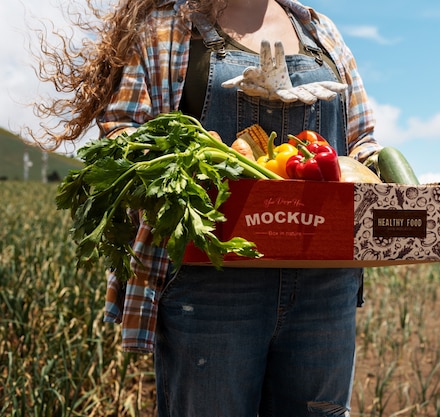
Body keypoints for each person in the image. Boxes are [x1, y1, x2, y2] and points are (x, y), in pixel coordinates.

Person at [35, 0, 382, 415]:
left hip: (324, 286)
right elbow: (122, 135)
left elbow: (361, 141)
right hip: (213, 283)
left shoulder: (319, 30)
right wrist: (184, 168)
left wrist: (390, 181)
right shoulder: (166, 28)